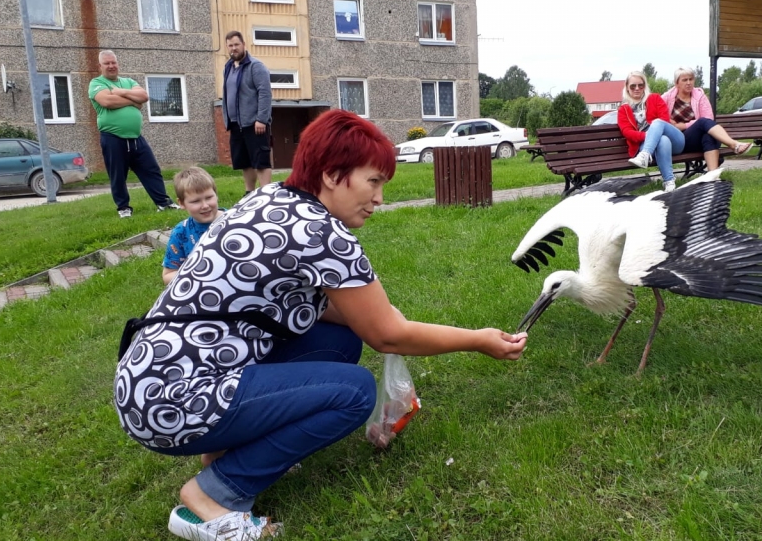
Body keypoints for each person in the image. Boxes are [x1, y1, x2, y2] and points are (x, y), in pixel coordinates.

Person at [114, 110, 528, 540]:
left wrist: (385, 320)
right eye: (373, 181)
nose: (380, 198)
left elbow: (347, 315)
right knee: (354, 392)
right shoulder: (322, 234)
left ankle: (221, 455)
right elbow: (386, 334)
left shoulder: (270, 196)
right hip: (175, 402)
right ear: (332, 175)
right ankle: (213, 495)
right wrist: (478, 340)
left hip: (147, 382)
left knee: (338, 340)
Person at [88, 50, 181, 218]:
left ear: (118, 63)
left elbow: (144, 96)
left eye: (113, 62)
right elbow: (107, 101)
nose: (111, 66)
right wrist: (133, 101)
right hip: (112, 138)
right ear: (99, 66)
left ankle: (163, 203)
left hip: (136, 138)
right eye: (107, 63)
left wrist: (120, 92)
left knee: (151, 169)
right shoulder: (96, 83)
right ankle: (123, 208)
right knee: (118, 175)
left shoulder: (128, 81)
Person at [660, 67, 753, 170]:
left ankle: (712, 177)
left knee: (709, 136)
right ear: (676, 83)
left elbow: (709, 119)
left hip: (698, 139)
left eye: (691, 79)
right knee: (702, 122)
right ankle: (733, 144)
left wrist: (684, 125)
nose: (689, 82)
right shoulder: (666, 98)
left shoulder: (700, 96)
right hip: (679, 141)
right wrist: (672, 124)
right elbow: (657, 117)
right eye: (685, 80)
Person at [223, 30, 273, 195]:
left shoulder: (255, 66)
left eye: (236, 44)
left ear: (244, 45)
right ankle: (249, 194)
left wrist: (262, 119)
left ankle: (265, 194)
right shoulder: (228, 67)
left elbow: (265, 92)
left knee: (261, 161)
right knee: (245, 162)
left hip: (255, 123)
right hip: (237, 124)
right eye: (230, 45)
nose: (233, 48)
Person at [617, 71, 683, 192]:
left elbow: (665, 121)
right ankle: (669, 182)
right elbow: (627, 132)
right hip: (652, 144)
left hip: (676, 142)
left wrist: (653, 133)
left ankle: (644, 156)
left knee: (658, 122)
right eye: (633, 86)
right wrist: (648, 136)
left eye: (640, 85)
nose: (637, 88)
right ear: (627, 87)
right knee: (663, 140)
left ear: (644, 86)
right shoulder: (623, 109)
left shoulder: (655, 98)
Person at [161, 167, 226, 285]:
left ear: (216, 195)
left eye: (209, 197)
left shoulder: (235, 220)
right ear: (181, 203)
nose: (205, 205)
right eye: (196, 201)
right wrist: (195, 275)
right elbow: (168, 275)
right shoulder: (181, 232)